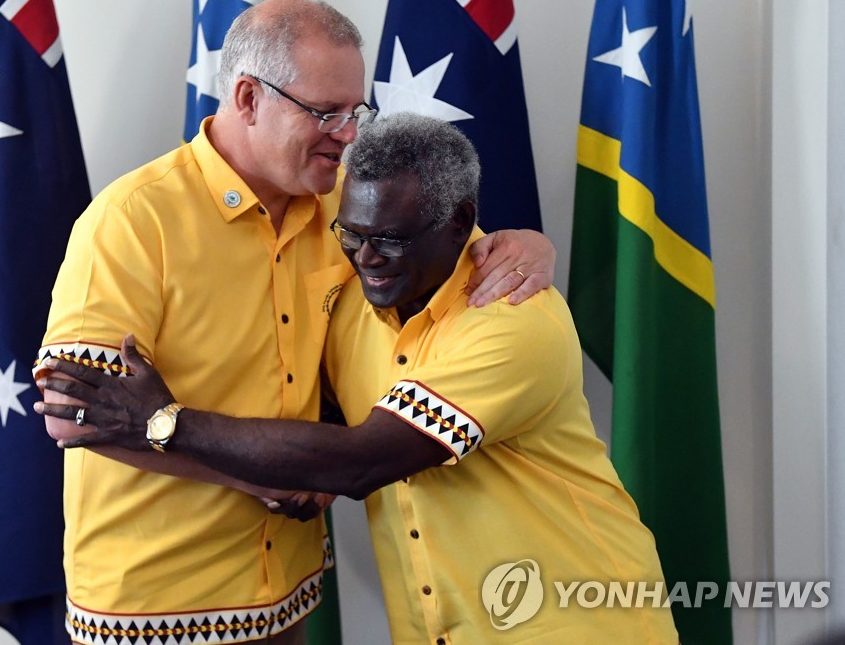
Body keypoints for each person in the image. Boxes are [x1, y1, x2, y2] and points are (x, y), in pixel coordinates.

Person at [37, 113, 680, 643]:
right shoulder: (355, 296)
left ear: (459, 225)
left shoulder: (508, 321)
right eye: (352, 233)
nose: (366, 258)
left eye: (390, 240)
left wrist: (164, 421)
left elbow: (361, 462)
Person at [37, 0, 556, 645]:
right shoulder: (132, 221)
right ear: (249, 98)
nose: (348, 135)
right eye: (325, 113)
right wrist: (258, 474)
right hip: (155, 602)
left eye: (355, 112)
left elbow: (460, 245)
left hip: (288, 591)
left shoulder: (347, 201)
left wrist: (529, 243)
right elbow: (73, 411)